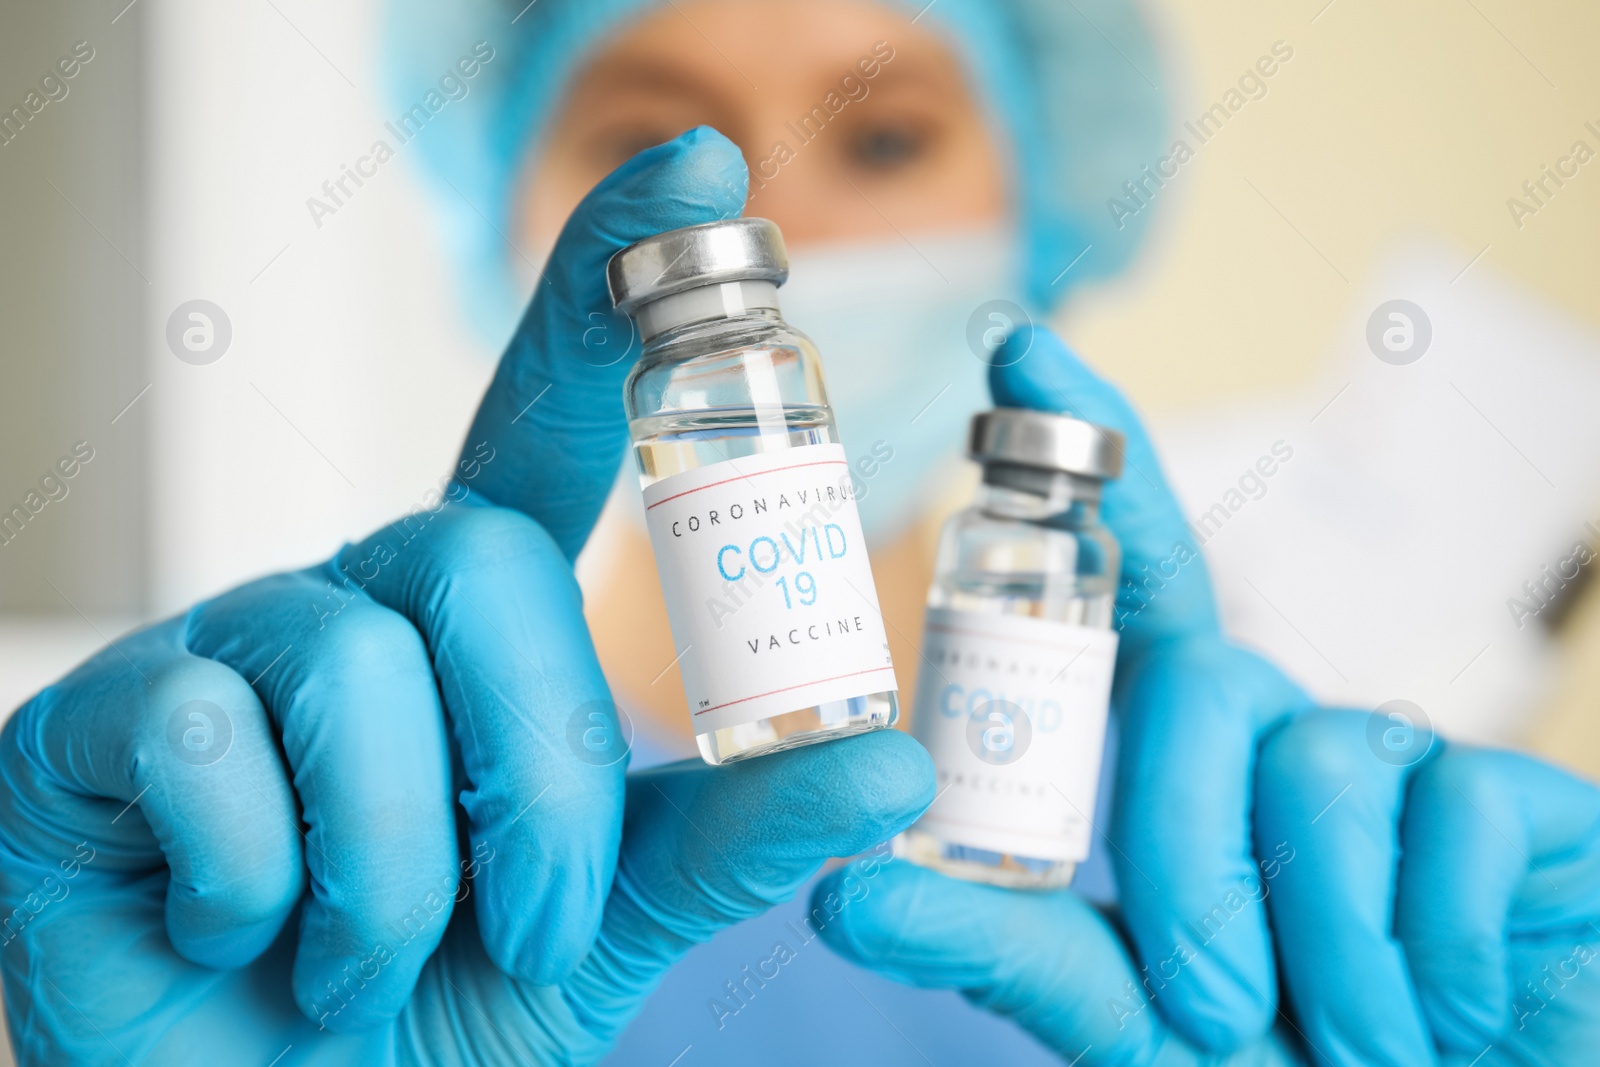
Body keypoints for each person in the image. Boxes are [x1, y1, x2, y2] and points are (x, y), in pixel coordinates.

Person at [0, 3, 1595, 1066]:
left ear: (1050, 211)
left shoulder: (1260, 877)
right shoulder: (362, 851)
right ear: (503, 217)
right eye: (645, 136)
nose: (773, 216)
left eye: (887, 139)